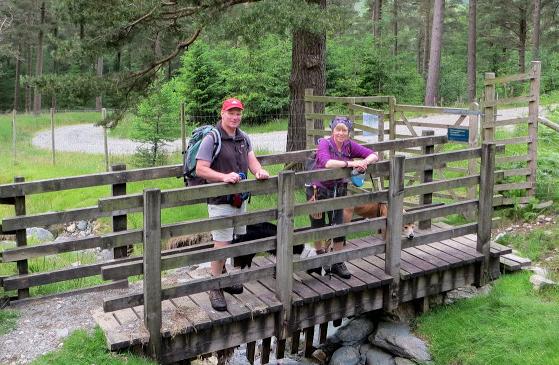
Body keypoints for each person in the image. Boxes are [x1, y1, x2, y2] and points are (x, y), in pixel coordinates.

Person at [196, 97, 270, 311]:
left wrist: (258, 171)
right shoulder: (212, 138)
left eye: (238, 113)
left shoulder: (243, 137)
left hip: (240, 200)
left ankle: (222, 276)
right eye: (231, 112)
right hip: (220, 200)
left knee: (231, 240)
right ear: (222, 113)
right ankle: (214, 286)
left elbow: (251, 159)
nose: (235, 117)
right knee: (221, 243)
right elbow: (201, 169)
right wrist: (223, 177)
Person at [307, 116, 378, 279]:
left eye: (344, 130)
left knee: (339, 224)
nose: (340, 133)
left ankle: (337, 261)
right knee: (318, 224)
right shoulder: (324, 143)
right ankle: (319, 259)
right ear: (332, 130)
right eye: (337, 129)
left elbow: (374, 155)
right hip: (318, 189)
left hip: (339, 189)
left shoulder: (349, 145)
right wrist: (351, 164)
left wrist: (364, 162)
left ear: (348, 132)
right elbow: (326, 162)